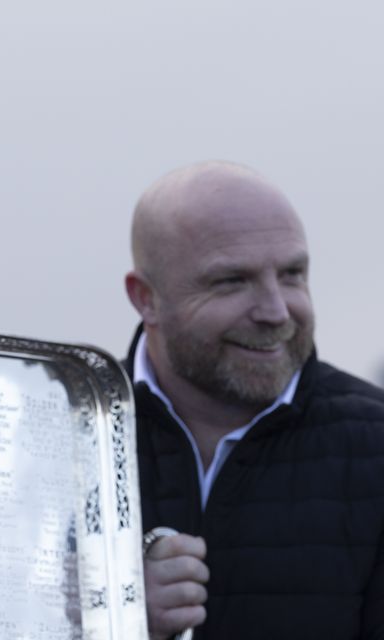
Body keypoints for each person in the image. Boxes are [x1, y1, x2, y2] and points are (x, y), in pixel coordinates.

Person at [124, 160, 384, 639]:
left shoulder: (375, 448)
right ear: (146, 299)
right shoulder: (50, 444)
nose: (275, 310)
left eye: (291, 274)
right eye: (231, 281)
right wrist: (105, 615)